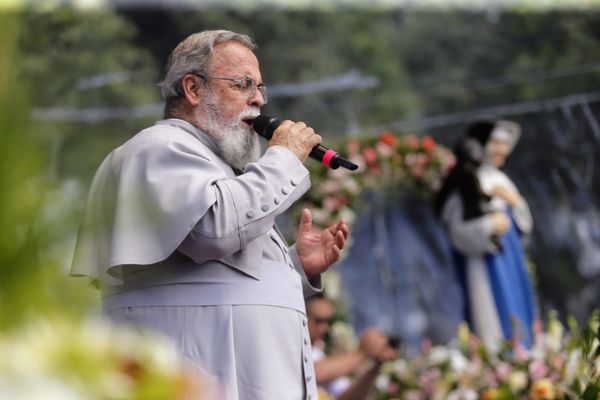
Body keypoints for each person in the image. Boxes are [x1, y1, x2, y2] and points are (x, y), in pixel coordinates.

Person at [70, 30, 349, 400]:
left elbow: (223, 284)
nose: (259, 99)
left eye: (260, 87)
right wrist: (282, 157)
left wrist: (296, 267)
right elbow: (211, 232)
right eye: (242, 84)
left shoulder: (218, 165)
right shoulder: (157, 149)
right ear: (193, 89)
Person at [434, 120, 537, 349]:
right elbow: (457, 231)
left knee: (519, 314)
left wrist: (516, 204)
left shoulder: (501, 180)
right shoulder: (467, 181)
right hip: (484, 264)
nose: (502, 150)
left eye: (505, 145)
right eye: (496, 143)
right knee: (492, 322)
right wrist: (488, 226)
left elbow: (523, 224)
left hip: (510, 259)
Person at [306, 294, 396, 400]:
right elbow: (312, 373)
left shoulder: (318, 354)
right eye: (319, 321)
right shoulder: (294, 348)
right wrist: (363, 352)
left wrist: (377, 365)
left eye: (327, 321)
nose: (324, 328)